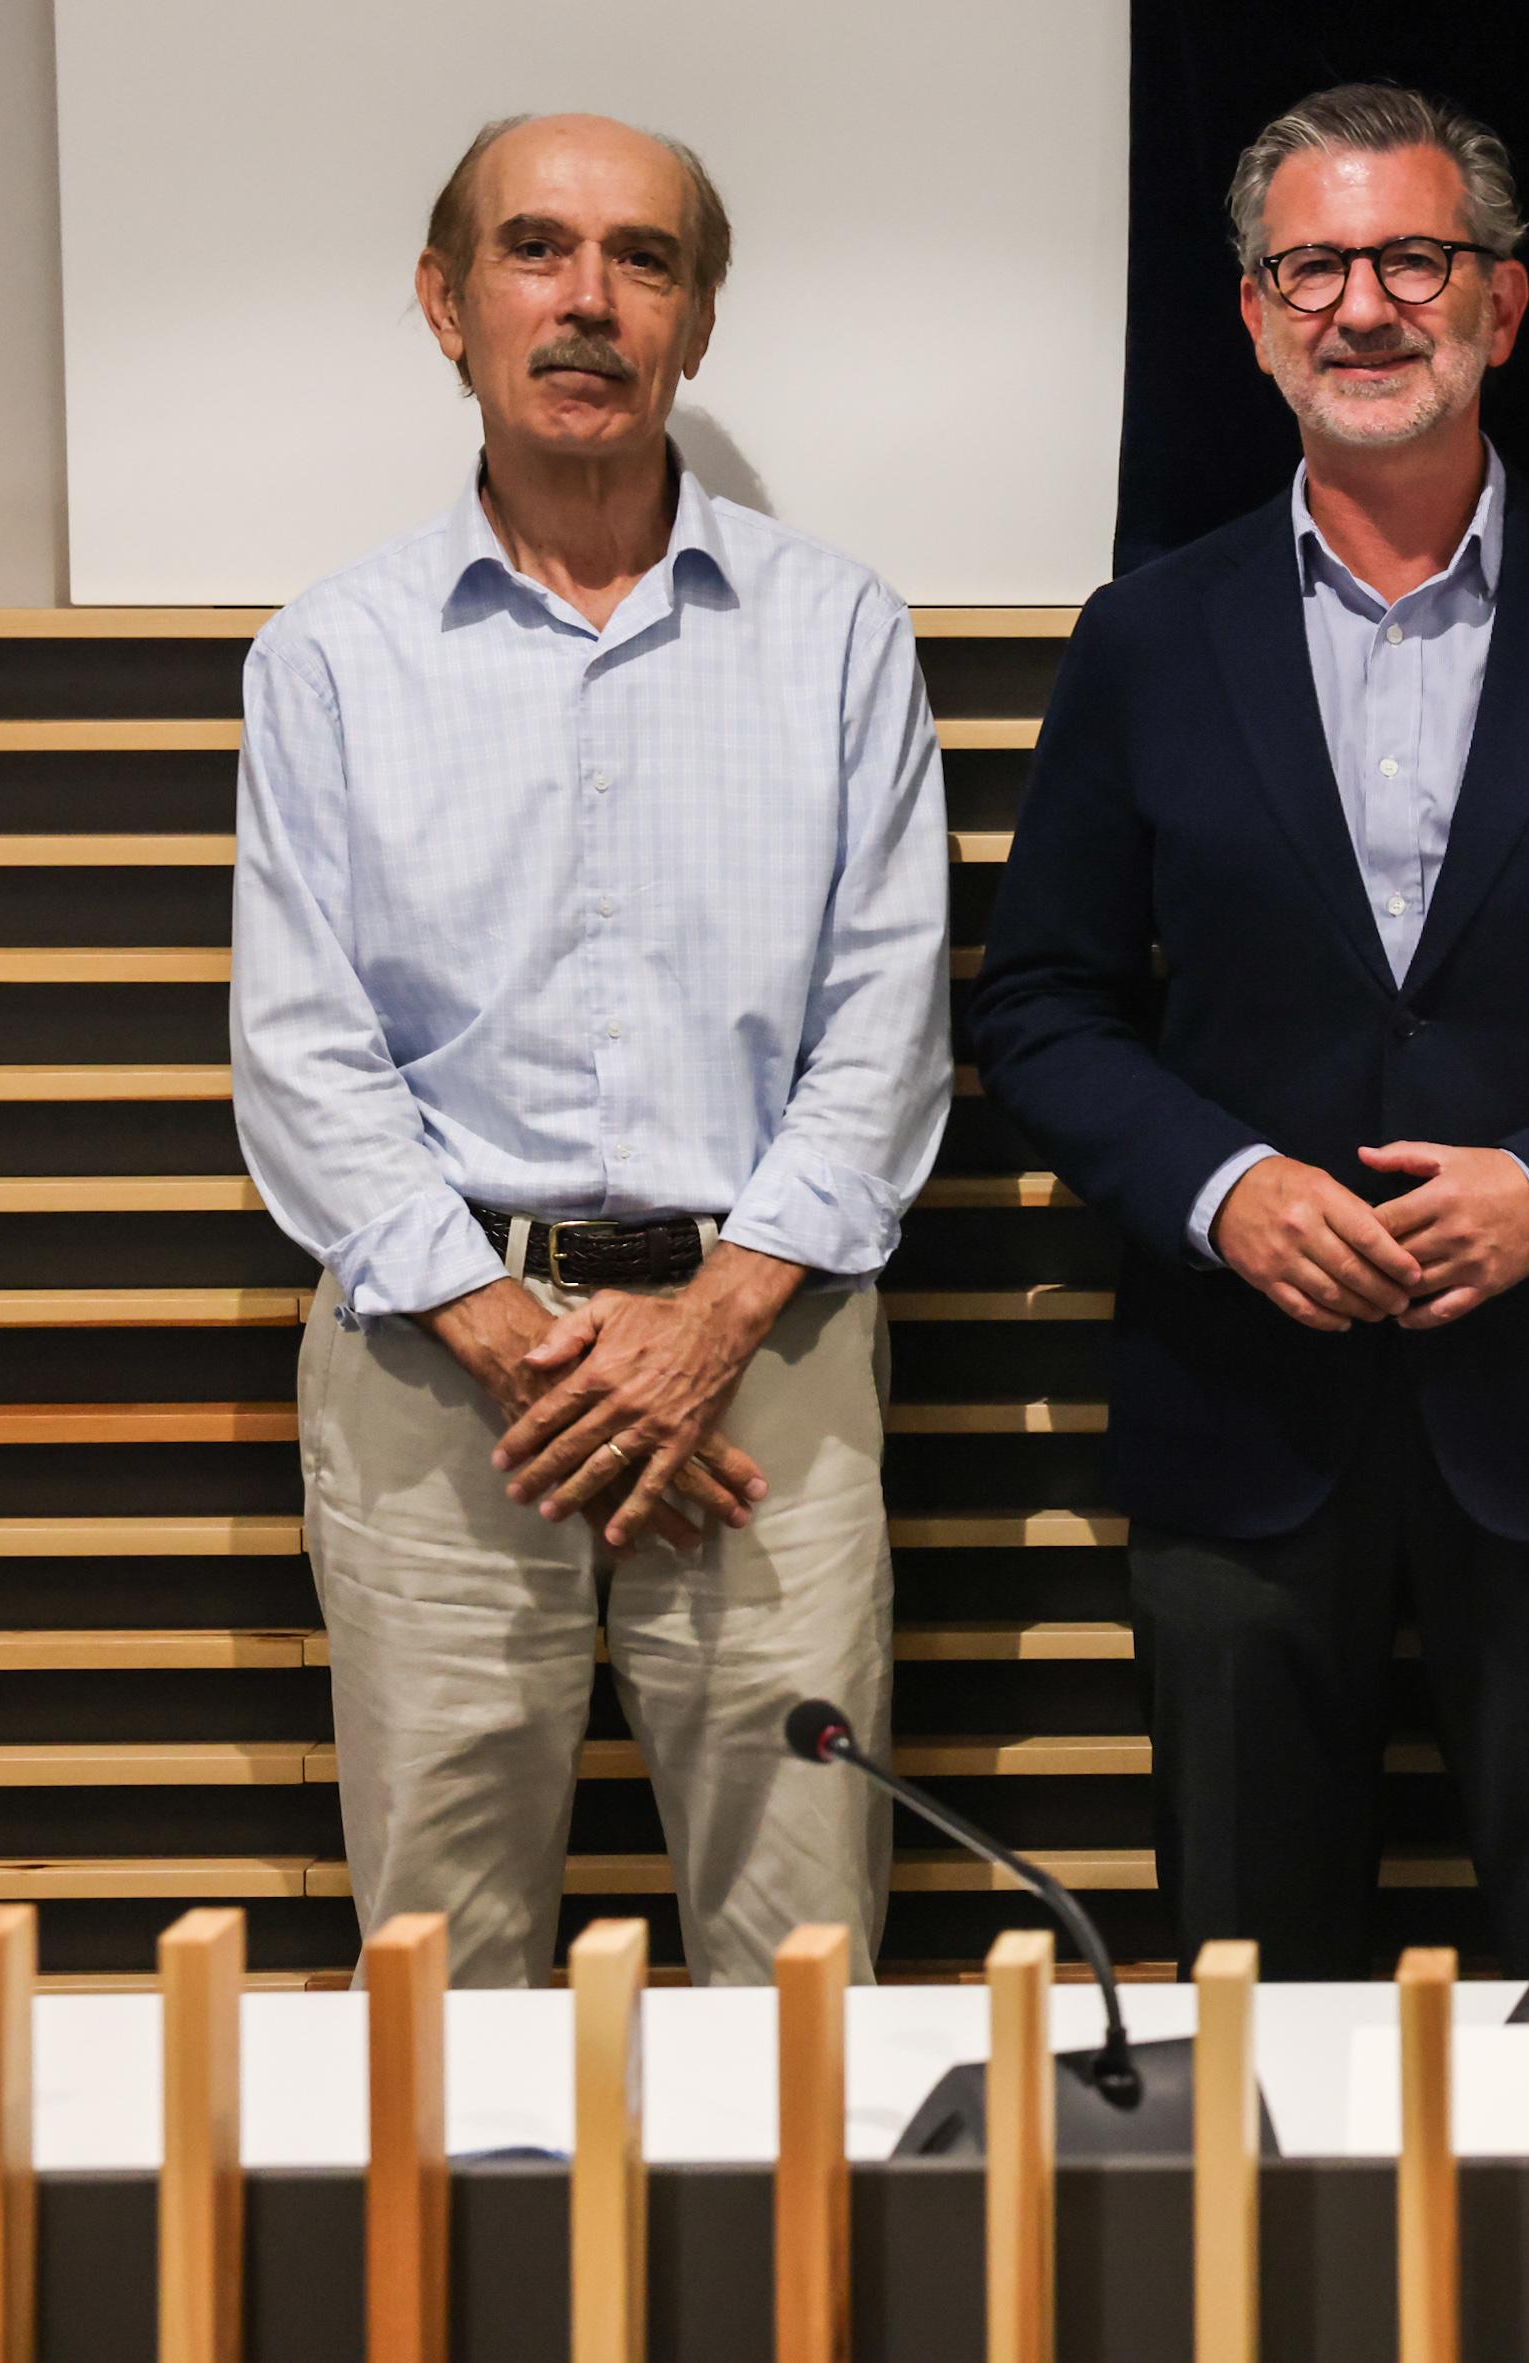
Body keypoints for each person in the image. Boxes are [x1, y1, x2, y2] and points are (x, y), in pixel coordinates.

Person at [967, 84, 1529, 1977]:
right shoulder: (1147, 637)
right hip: (1239, 1427)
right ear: (1254, 316)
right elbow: (1042, 1001)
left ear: (1499, 306)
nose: (1365, 307)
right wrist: (1220, 1188)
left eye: (1412, 260)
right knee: (1248, 1996)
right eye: (1313, 267)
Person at [232, 113, 948, 1988]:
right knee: (438, 1964)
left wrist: (705, 1326)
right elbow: (303, 1048)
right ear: (443, 302)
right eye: (535, 249)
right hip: (439, 1382)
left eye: (643, 260)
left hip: (767, 1361)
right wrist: (510, 1338)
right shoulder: (331, 656)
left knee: (803, 1950)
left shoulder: (837, 632)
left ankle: (807, 2302)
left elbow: (888, 1022)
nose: (586, 301)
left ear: (696, 324)